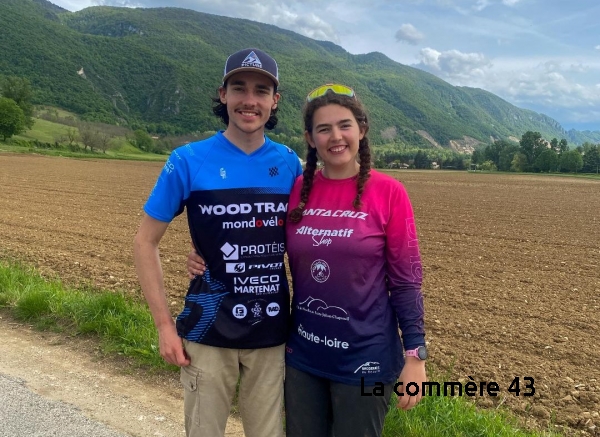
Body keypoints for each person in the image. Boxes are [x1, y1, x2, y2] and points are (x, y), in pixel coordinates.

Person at [188, 83, 427, 437]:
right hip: (303, 357)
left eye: (344, 125)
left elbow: (407, 280)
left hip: (365, 358)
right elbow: (254, 231)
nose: (336, 136)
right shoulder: (299, 188)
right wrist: (205, 255)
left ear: (361, 130)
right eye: (323, 128)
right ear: (310, 139)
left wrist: (415, 356)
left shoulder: (389, 192)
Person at [133, 48, 302, 437]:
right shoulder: (188, 160)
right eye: (239, 87)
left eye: (261, 91)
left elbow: (308, 239)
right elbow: (145, 243)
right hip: (206, 333)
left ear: (274, 101)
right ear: (223, 94)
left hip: (272, 334)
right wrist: (163, 326)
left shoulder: (290, 163)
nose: (249, 99)